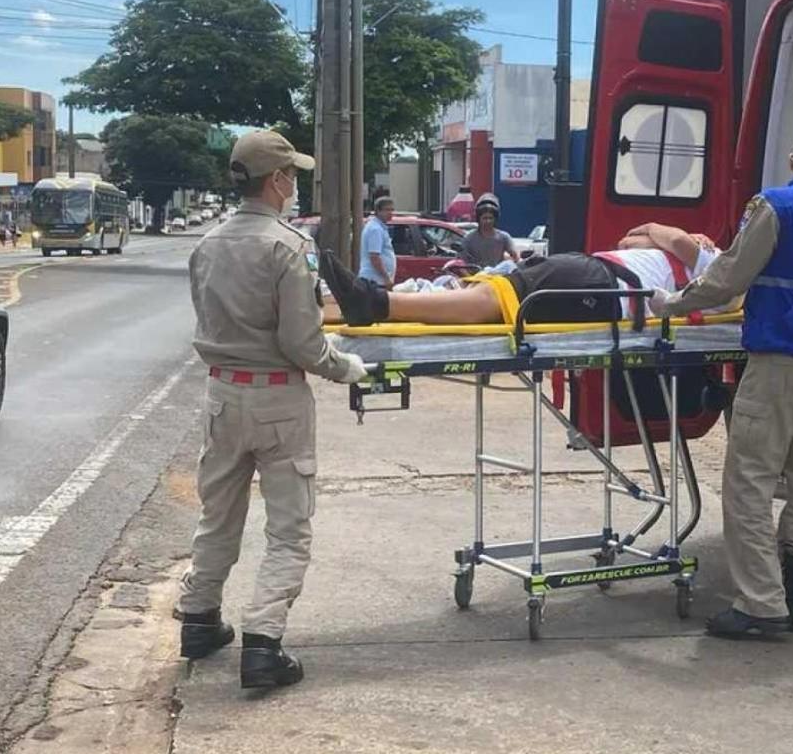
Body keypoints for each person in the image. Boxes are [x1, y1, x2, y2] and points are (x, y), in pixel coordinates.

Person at [647, 122, 793, 639]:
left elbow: (728, 279)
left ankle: (762, 605)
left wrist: (671, 304)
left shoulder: (775, 206)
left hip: (783, 358)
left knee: (750, 479)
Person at [180, 129, 367, 690]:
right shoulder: (286, 247)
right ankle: (263, 644)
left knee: (219, 516)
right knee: (288, 529)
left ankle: (199, 618)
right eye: (293, 175)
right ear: (278, 180)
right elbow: (303, 344)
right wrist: (346, 367)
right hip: (278, 399)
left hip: (222, 394)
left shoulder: (207, 244)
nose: (296, 183)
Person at [325, 222, 727, 327]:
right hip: (598, 275)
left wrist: (668, 234)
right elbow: (629, 240)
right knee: (491, 287)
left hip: (604, 286)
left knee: (501, 297)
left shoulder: (724, 272)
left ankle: (374, 303)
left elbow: (667, 237)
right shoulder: (707, 260)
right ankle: (353, 303)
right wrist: (665, 237)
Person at [461, 192, 520, 268]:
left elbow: (515, 257)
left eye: (490, 218)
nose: (488, 221)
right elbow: (461, 261)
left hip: (497, 277)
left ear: (495, 219)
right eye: (485, 218)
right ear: (478, 219)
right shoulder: (469, 238)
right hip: (475, 276)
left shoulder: (504, 237)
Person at [359, 197, 398, 288]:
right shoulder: (375, 229)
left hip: (377, 280)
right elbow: (374, 257)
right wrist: (386, 278)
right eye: (387, 210)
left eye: (392, 210)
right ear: (378, 211)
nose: (390, 213)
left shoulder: (380, 227)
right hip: (374, 281)